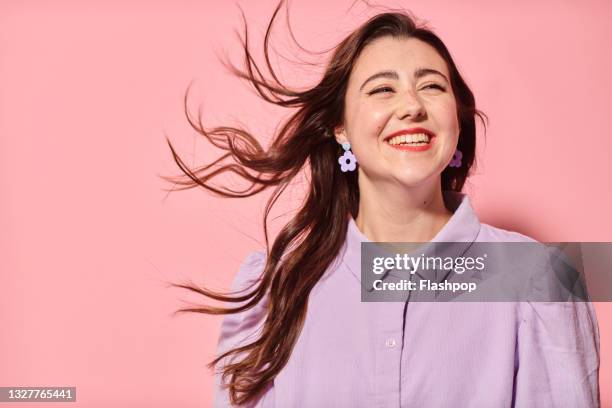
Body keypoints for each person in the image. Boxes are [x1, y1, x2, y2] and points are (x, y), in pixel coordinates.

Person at [164, 1, 600, 406]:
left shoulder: (540, 280)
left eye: (431, 86)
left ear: (456, 118)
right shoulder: (276, 285)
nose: (411, 106)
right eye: (381, 90)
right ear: (341, 129)